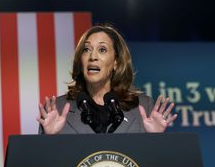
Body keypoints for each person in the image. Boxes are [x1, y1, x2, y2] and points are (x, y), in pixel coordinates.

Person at [36, 24, 177, 134]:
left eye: (102, 50)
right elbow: (42, 166)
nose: (93, 56)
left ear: (116, 62)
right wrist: (49, 139)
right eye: (86, 50)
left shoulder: (142, 107)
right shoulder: (60, 108)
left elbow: (154, 164)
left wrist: (156, 139)